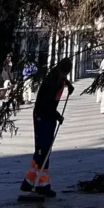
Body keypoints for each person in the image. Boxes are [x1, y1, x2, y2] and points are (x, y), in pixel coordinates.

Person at [20, 58, 74, 199]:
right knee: (43, 150)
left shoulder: (59, 78)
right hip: (42, 116)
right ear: (62, 70)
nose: (65, 76)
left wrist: (69, 85)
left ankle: (29, 180)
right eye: (65, 74)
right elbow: (47, 103)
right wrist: (58, 116)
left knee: (43, 149)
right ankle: (42, 185)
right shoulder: (51, 81)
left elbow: (61, 83)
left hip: (48, 116)